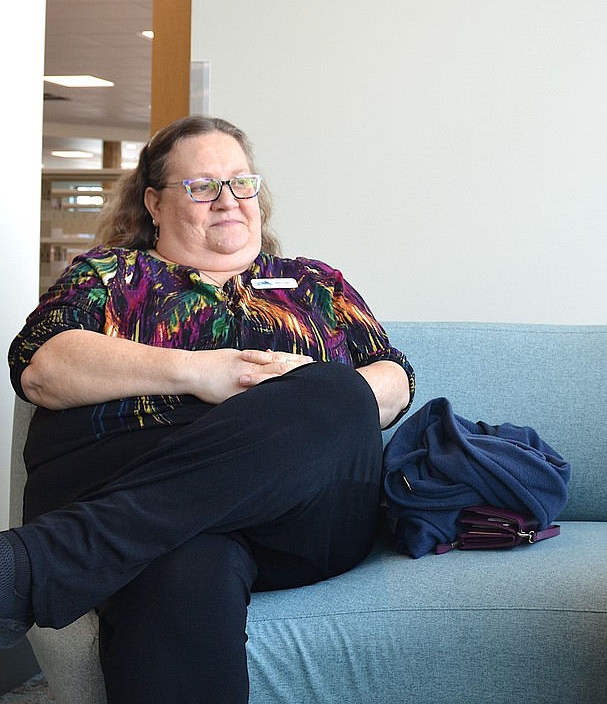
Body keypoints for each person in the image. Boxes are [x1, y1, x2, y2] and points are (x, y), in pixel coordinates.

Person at [1, 115, 415, 703]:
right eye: (201, 186)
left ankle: (31, 568)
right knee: (186, 567)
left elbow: (396, 377)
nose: (229, 200)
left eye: (241, 183)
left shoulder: (314, 284)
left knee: (337, 392)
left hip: (301, 517)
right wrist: (205, 371)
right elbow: (41, 368)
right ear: (154, 202)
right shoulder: (111, 275)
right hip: (120, 474)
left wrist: (302, 393)